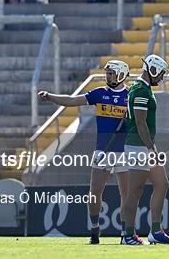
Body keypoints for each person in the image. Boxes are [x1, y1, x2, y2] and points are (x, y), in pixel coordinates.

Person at [38, 60, 130, 245]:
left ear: (121, 74)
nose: (108, 76)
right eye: (107, 73)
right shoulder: (100, 94)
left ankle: (125, 233)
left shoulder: (131, 96)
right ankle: (95, 231)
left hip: (125, 152)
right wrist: (50, 97)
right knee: (94, 192)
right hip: (102, 151)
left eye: (111, 73)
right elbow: (72, 100)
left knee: (126, 194)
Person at [121, 54, 169, 245]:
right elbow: (140, 121)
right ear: (152, 70)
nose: (161, 77)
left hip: (143, 145)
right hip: (139, 146)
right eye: (160, 73)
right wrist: (150, 148)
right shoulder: (141, 90)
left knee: (162, 183)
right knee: (134, 192)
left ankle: (155, 231)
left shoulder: (141, 88)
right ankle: (128, 235)